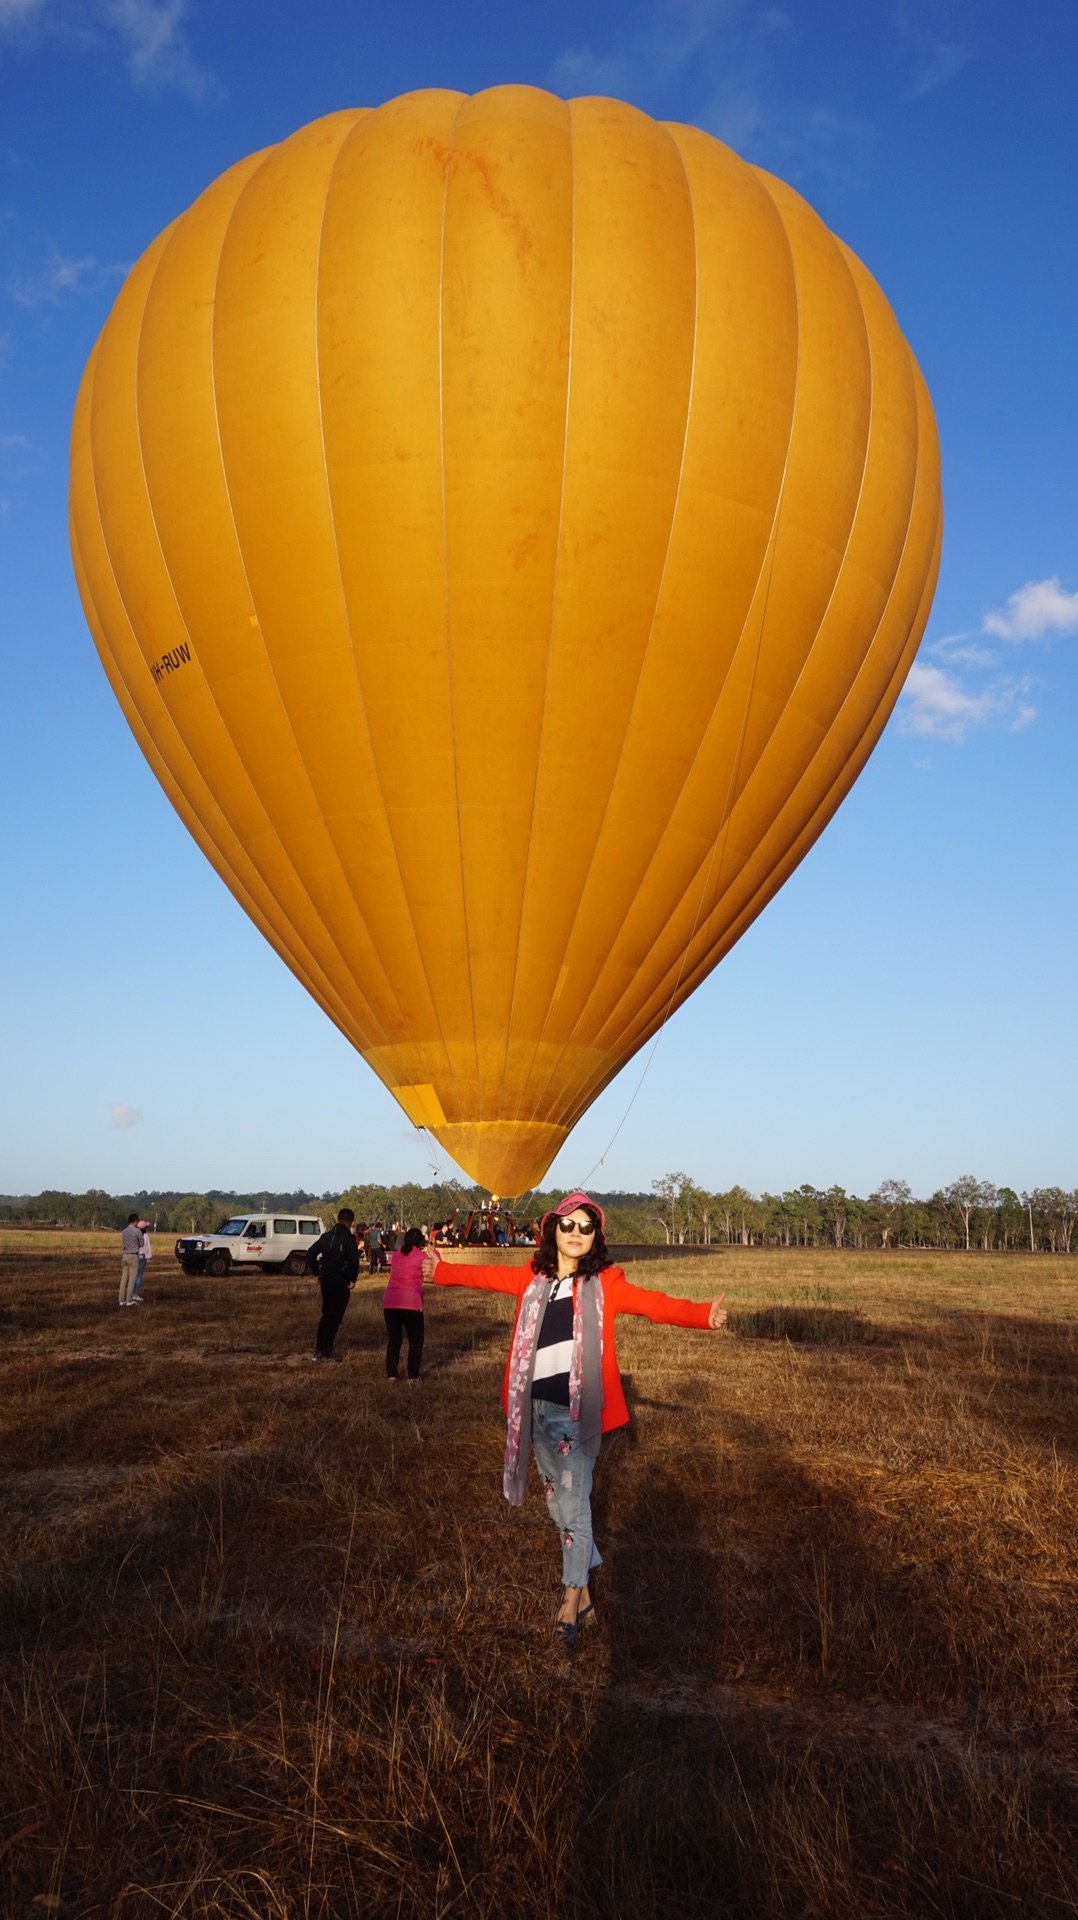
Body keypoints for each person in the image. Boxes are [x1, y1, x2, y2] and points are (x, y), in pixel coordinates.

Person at [422, 1190, 727, 1656]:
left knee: (575, 1510)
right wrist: (441, 1271)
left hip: (575, 1412)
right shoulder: (533, 1279)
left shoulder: (606, 1283)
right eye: (568, 1225)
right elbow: (485, 1275)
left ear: (596, 1236)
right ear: (553, 1230)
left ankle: (569, 1600)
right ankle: (585, 1593)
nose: (576, 1233)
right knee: (560, 1507)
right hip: (534, 1408)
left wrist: (703, 1315)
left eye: (586, 1227)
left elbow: (654, 1304)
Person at [306, 1208, 361, 1361]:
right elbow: (354, 1261)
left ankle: (319, 1350)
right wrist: (352, 1279)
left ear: (337, 1220)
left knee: (325, 1316)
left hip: (326, 1281)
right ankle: (328, 1351)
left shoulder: (325, 1237)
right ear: (352, 1223)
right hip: (340, 1282)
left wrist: (317, 1273)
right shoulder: (348, 1238)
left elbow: (310, 1254)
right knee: (334, 1318)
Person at [382, 1227, 427, 1384]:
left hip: (390, 1301)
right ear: (421, 1241)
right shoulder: (422, 1256)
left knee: (394, 1340)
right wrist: (432, 1250)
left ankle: (392, 1375)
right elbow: (436, 1264)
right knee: (415, 1340)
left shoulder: (396, 1256)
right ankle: (413, 1376)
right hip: (411, 1302)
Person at [118, 1212, 141, 1307]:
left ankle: (121, 1300)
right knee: (132, 1279)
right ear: (135, 1221)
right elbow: (142, 1243)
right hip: (133, 1256)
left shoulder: (124, 1231)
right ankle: (129, 1300)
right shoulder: (137, 1231)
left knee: (124, 1279)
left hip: (125, 1255)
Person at [132, 1220, 152, 1302]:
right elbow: (147, 1248)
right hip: (141, 1257)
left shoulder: (133, 1234)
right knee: (139, 1276)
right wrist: (148, 1258)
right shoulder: (145, 1236)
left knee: (133, 1276)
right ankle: (136, 1295)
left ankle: (130, 1293)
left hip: (133, 1256)